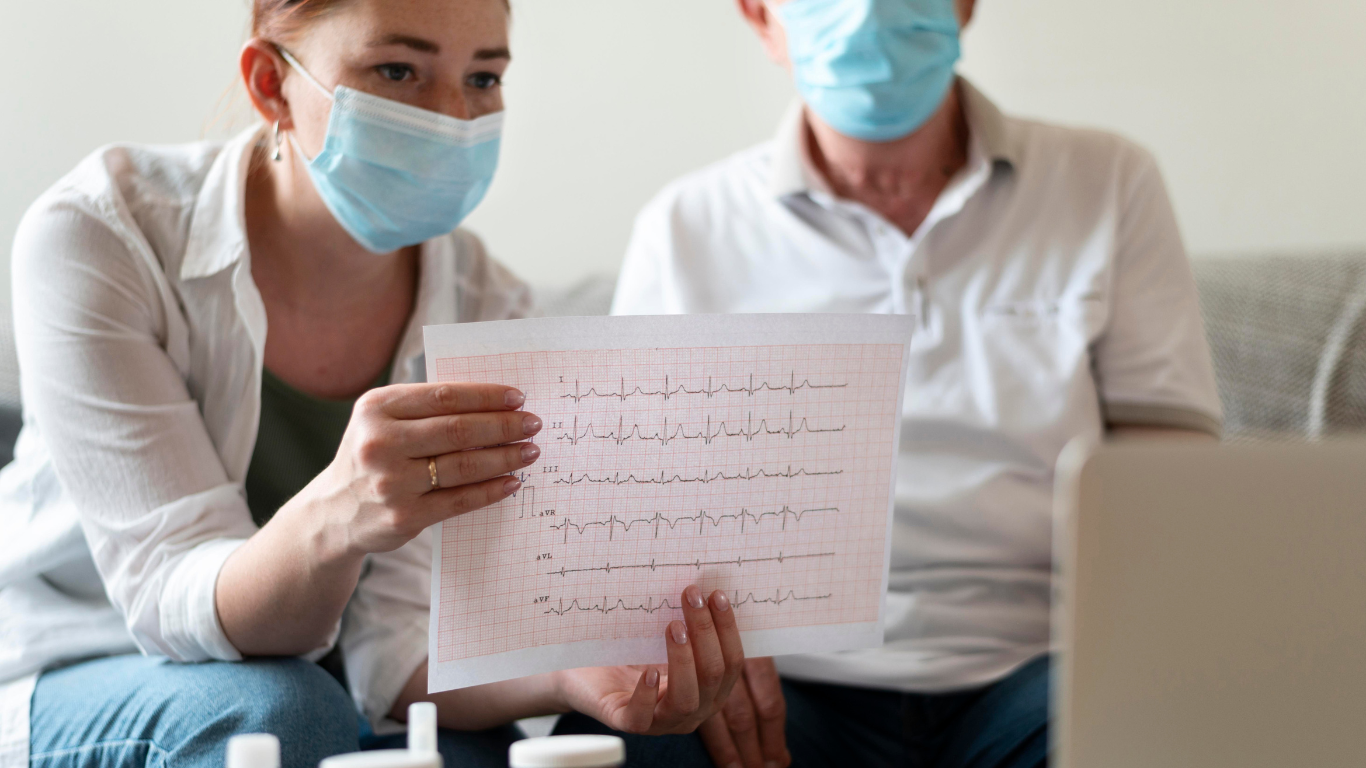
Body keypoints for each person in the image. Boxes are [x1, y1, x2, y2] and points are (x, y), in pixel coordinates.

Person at [0, 1, 748, 767]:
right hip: (84, 656)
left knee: (481, 753)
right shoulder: (104, 235)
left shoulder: (489, 308)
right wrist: (342, 513)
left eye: (483, 77)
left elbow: (395, 644)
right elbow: (172, 603)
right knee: (273, 715)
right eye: (397, 70)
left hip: (325, 690)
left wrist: (568, 672)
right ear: (270, 84)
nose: (456, 117)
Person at [557, 0, 1224, 766]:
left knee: (1171, 728)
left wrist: (1145, 657)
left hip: (1043, 669)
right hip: (788, 685)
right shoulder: (686, 227)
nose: (867, 10)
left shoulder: (1107, 182)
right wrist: (702, 649)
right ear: (760, 17)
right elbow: (631, 509)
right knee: (612, 744)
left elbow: (1171, 473)